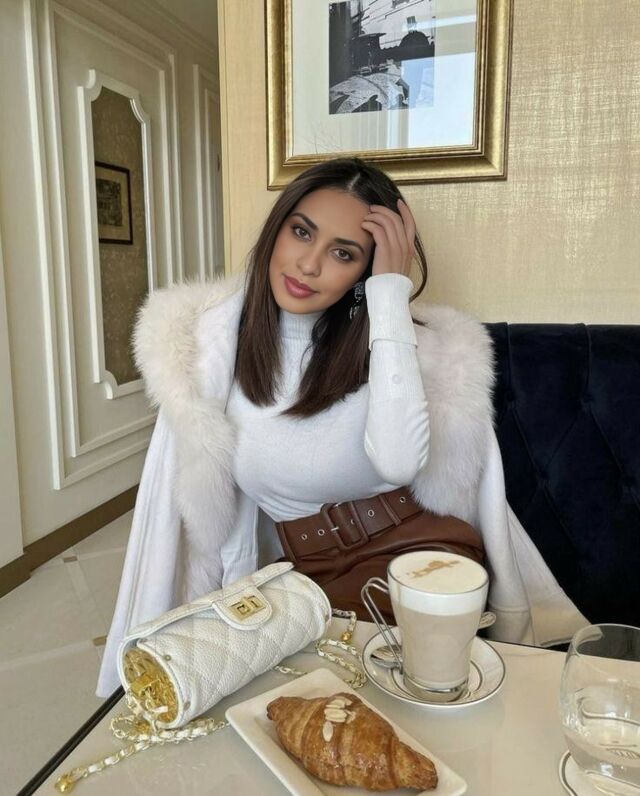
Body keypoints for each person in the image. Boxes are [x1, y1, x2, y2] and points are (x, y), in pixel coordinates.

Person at [96, 158, 586, 697]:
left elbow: (400, 462)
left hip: (416, 559)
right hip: (300, 571)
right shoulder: (211, 349)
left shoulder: (400, 347)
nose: (308, 265)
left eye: (343, 253)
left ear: (364, 271)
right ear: (277, 228)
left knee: (350, 713)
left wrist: (390, 297)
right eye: (302, 232)